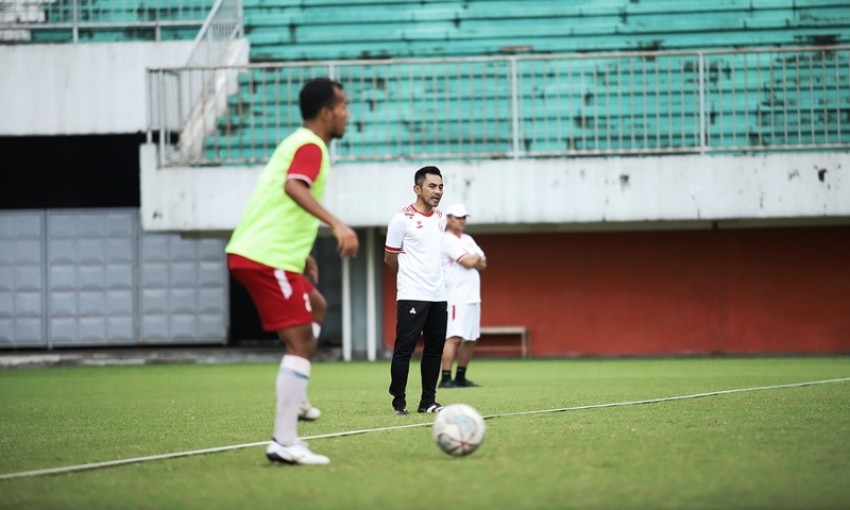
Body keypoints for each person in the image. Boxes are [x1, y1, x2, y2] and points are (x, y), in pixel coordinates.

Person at [225, 78, 359, 466]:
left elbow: (275, 202)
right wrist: (337, 224)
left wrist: (301, 257)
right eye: (344, 106)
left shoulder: (296, 142)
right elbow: (293, 188)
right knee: (301, 344)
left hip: (269, 254)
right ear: (326, 112)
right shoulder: (311, 146)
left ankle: (297, 399)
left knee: (316, 306)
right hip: (266, 258)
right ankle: (283, 442)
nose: (347, 113)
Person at [384, 166, 448, 416]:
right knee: (405, 349)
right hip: (412, 295)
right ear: (417, 189)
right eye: (432, 186)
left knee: (434, 350)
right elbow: (390, 257)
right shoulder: (401, 219)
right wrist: (410, 277)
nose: (438, 191)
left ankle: (428, 402)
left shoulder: (442, 218)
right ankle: (399, 403)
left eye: (441, 186)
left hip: (438, 296)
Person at [439, 204, 487, 388]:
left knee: (471, 338)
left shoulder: (467, 239)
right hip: (455, 296)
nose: (462, 221)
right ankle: (445, 378)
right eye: (458, 217)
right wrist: (473, 258)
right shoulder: (447, 239)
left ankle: (460, 377)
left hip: (472, 296)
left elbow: (483, 263)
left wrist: (473, 259)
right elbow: (468, 262)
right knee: (454, 337)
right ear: (449, 219)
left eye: (464, 217)